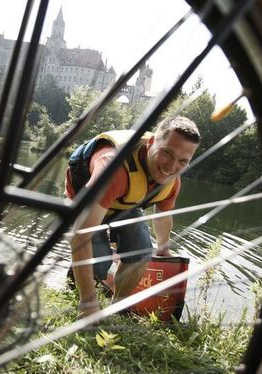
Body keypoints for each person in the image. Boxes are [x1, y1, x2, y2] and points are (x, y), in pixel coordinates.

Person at [65, 116, 200, 318]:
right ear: (152, 142)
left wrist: (163, 247)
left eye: (182, 161)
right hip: (86, 202)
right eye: (167, 153)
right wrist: (88, 302)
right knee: (98, 264)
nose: (171, 167)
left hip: (122, 203)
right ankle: (78, 287)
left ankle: (116, 310)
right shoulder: (112, 167)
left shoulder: (173, 181)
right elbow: (80, 237)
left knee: (141, 253)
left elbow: (163, 216)